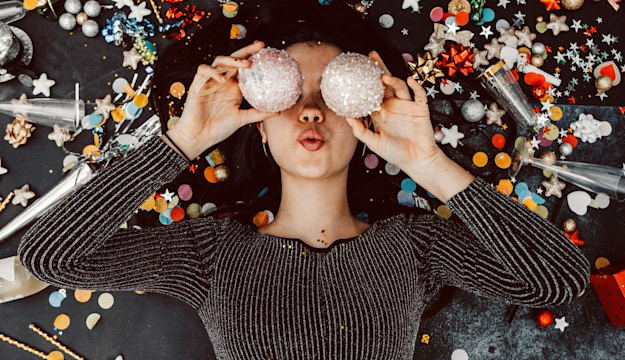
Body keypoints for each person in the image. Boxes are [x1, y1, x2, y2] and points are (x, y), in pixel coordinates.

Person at [18, 1, 589, 358]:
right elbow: (47, 256)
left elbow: (561, 280)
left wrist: (425, 162)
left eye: (334, 95)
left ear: (366, 118)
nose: (311, 112)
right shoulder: (210, 254)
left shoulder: (415, 246)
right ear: (261, 128)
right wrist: (184, 142)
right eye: (290, 94)